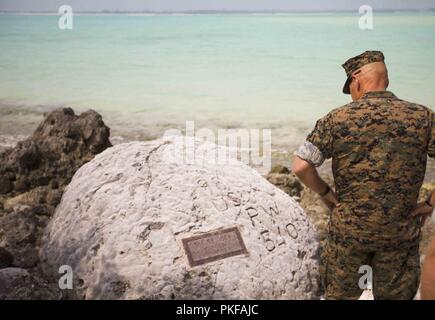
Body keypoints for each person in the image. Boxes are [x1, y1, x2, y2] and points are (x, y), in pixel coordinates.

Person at [292, 50, 434, 300]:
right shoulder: (422, 117)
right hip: (399, 234)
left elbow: (301, 166)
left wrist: (325, 193)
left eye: (350, 89)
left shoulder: (337, 118)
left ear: (356, 78)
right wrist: (430, 203)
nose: (352, 96)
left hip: (349, 234)